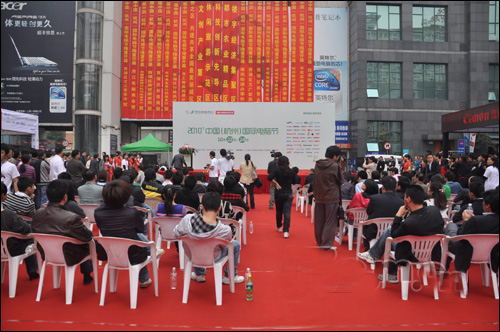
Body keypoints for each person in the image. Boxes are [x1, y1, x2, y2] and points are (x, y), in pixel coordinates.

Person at [359, 185, 445, 283]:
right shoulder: (435, 211)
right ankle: (373, 255)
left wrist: (398, 215)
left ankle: (385, 268)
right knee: (390, 232)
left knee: (390, 236)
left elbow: (394, 235)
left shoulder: (410, 223)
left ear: (408, 199)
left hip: (410, 254)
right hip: (431, 253)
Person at [94, 180, 162, 288]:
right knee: (137, 241)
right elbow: (140, 229)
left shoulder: (98, 213)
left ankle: (151, 250)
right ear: (126, 197)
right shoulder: (131, 212)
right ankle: (145, 274)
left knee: (134, 240)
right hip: (132, 252)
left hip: (110, 251)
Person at [32, 180, 95, 285]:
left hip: (46, 252)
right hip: (68, 254)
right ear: (65, 197)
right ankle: (87, 274)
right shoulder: (71, 217)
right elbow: (87, 237)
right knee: (89, 244)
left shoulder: (37, 214)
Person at [173, 192, 244, 284]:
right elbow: (224, 245)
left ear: (202, 206)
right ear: (219, 208)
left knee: (197, 243)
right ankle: (229, 276)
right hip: (214, 257)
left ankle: (199, 274)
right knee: (236, 244)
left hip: (192, 254)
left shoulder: (187, 220)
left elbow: (176, 233)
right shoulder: (225, 230)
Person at [445, 189, 499, 274]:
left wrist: (466, 221)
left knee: (450, 229)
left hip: (468, 252)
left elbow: (459, 236)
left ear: (488, 205)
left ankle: (444, 268)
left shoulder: (475, 220)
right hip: (491, 253)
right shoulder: (478, 220)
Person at [1, 182, 39, 281]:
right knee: (29, 240)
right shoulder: (8, 215)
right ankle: (33, 270)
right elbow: (25, 229)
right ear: (3, 196)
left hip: (5, 245)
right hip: (10, 248)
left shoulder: (8, 212)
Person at [312, 146, 343, 249]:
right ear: (335, 156)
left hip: (319, 196)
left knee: (319, 220)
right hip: (331, 197)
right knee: (330, 221)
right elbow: (341, 182)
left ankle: (319, 242)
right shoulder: (335, 166)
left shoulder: (317, 164)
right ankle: (326, 244)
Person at [362, 176, 404, 249]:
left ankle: (368, 247)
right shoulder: (401, 202)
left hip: (374, 232)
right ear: (395, 187)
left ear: (383, 187)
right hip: (393, 232)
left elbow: (368, 212)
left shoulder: (375, 198)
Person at [268, 156, 298, 239]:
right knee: (287, 212)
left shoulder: (277, 170)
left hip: (279, 194)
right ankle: (286, 231)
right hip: (288, 194)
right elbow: (295, 181)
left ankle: (279, 226)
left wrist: (276, 183)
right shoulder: (291, 171)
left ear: (279, 162)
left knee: (279, 211)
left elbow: (269, 178)